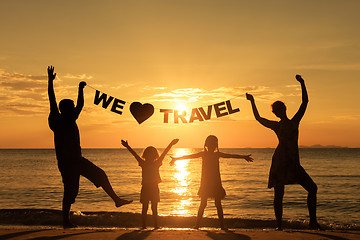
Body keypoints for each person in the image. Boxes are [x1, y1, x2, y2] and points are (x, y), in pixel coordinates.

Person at [47, 66, 132, 228]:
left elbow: (80, 104)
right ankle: (65, 221)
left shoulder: (72, 119)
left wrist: (80, 89)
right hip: (66, 163)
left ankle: (117, 200)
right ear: (63, 109)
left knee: (100, 174)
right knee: (70, 192)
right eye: (71, 108)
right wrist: (50, 81)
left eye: (73, 108)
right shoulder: (56, 121)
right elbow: (51, 99)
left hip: (78, 160)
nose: (74, 109)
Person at [246, 75, 321, 230]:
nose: (277, 113)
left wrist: (302, 83)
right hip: (280, 162)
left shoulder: (294, 121)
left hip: (293, 162)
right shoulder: (276, 126)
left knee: (312, 188)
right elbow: (258, 118)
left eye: (278, 109)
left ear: (284, 109)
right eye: (275, 111)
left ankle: (312, 221)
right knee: (279, 194)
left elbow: (305, 102)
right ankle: (279, 225)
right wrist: (252, 101)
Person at [170, 135, 253, 230]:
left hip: (215, 183)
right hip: (207, 183)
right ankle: (198, 225)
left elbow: (230, 156)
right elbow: (189, 156)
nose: (212, 146)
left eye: (214, 144)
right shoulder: (205, 154)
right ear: (207, 145)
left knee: (215, 204)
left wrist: (244, 157)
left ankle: (218, 226)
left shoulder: (215, 154)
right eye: (211, 144)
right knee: (205, 204)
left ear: (215, 145)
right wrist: (176, 159)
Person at [121, 138, 179, 229]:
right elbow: (135, 155)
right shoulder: (146, 163)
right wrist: (127, 146)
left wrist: (171, 144)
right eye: (150, 154)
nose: (151, 156)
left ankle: (151, 225)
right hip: (148, 188)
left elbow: (164, 153)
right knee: (148, 208)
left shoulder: (150, 163)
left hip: (151, 188)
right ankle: (149, 226)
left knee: (151, 208)